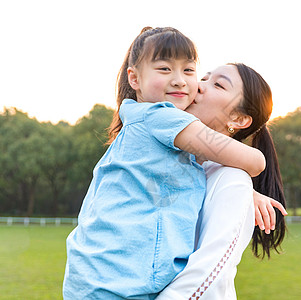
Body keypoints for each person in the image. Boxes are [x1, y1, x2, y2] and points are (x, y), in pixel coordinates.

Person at [63, 27, 268, 299]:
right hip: (115, 283)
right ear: (134, 79)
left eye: (189, 71)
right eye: (164, 69)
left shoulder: (169, 137)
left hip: (104, 281)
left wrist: (241, 187)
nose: (183, 82)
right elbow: (254, 161)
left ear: (241, 119)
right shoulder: (162, 118)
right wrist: (243, 175)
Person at [157, 63, 287, 299]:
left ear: (238, 119)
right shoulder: (170, 160)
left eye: (217, 84)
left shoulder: (232, 180)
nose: (199, 86)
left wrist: (244, 188)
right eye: (203, 78)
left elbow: (207, 275)